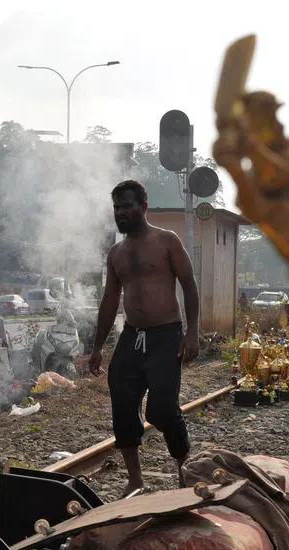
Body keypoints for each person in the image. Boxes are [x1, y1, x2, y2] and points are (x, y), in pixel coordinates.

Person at [90, 179, 200, 497]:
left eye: (127, 206)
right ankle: (135, 479)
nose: (122, 212)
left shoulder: (167, 241)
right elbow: (110, 302)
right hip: (132, 336)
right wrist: (97, 347)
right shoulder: (116, 254)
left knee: (161, 411)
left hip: (166, 335)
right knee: (123, 402)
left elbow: (189, 285)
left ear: (143, 207)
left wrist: (192, 333)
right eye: (117, 208)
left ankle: (184, 467)